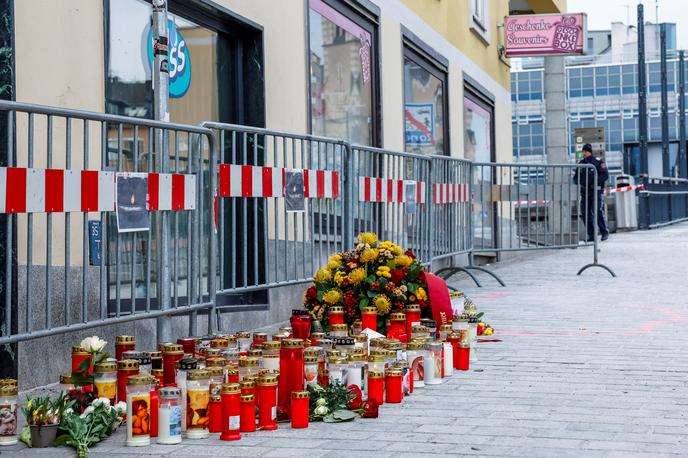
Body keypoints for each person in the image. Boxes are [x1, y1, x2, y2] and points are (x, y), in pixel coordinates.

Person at [574, 143, 609, 242]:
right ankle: (591, 234)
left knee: (597, 211)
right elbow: (575, 178)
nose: (584, 153)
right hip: (584, 192)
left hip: (596, 191)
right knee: (585, 213)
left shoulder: (598, 162)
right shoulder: (580, 164)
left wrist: (595, 182)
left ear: (589, 152)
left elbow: (605, 175)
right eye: (583, 152)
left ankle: (604, 232)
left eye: (585, 152)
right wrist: (579, 182)